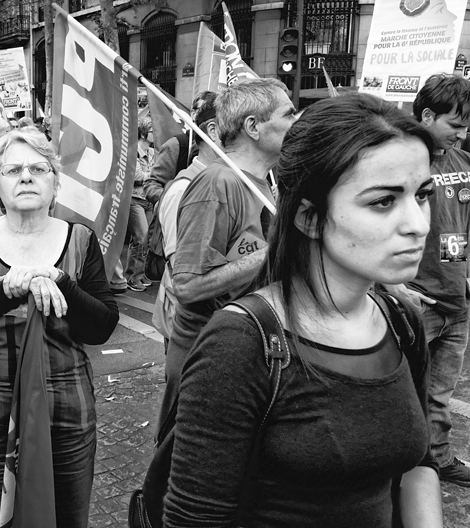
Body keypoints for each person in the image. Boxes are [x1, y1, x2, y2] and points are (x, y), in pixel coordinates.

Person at [164, 92, 442, 528]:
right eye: (383, 201)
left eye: (422, 194)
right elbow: (194, 517)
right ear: (309, 218)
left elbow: (417, 460)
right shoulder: (240, 346)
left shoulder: (401, 321)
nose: (418, 224)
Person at [0, 128, 119, 528]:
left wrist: (63, 282)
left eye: (39, 168)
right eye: (12, 169)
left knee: (66, 514)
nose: (26, 177)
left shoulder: (81, 240)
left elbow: (103, 326)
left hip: (65, 408)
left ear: (55, 182)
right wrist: (2, 292)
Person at [160, 78, 294, 430]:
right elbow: (187, 286)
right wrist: (274, 252)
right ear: (253, 126)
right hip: (207, 360)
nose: (297, 121)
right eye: (289, 113)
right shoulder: (218, 182)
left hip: (245, 353)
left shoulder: (266, 182)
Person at [386, 73, 470, 486]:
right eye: (456, 124)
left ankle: (437, 461)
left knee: (439, 395)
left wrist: (462, 273)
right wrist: (396, 289)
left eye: (467, 125)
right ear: (427, 115)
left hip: (456, 303)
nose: (463, 133)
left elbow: (456, 227)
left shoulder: (463, 164)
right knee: (398, 393)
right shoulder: (399, 163)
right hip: (416, 304)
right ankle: (394, 469)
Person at [154, 99, 220, 349]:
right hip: (190, 329)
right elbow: (180, 275)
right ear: (213, 130)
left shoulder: (233, 183)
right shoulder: (183, 189)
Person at [143, 91, 218, 206]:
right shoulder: (177, 145)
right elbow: (152, 184)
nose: (206, 115)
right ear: (193, 113)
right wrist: (174, 200)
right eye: (203, 110)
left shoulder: (228, 148)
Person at [126, 116, 155, 292]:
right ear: (144, 133)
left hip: (148, 199)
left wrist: (148, 173)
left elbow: (155, 172)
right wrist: (150, 173)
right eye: (152, 131)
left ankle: (140, 273)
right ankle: (132, 276)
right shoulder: (133, 151)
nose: (154, 135)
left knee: (147, 240)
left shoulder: (152, 152)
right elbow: (136, 176)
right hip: (135, 200)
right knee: (140, 237)